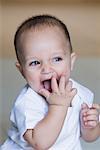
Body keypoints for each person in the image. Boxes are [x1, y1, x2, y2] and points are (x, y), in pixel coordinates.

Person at [1, 15, 100, 150]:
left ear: (71, 62)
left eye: (57, 59)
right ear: (22, 70)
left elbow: (89, 137)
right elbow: (39, 143)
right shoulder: (27, 103)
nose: (46, 69)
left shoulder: (78, 93)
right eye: (35, 62)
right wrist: (58, 106)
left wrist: (90, 125)